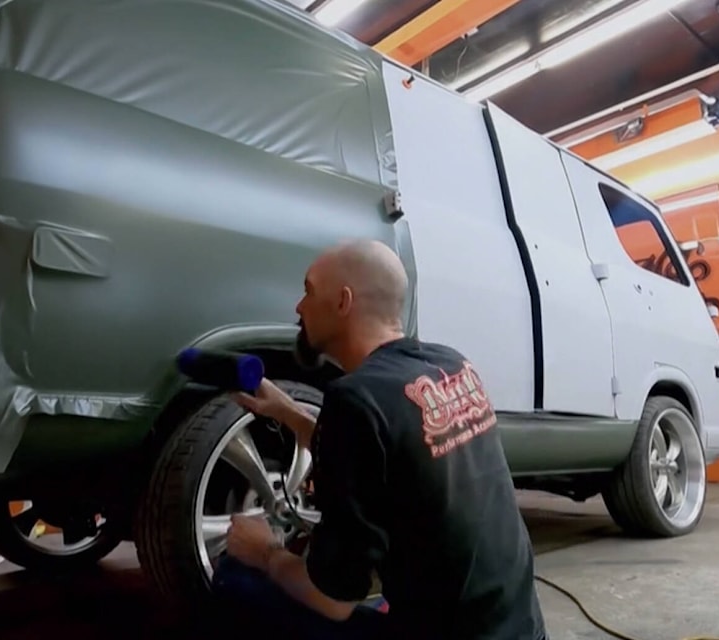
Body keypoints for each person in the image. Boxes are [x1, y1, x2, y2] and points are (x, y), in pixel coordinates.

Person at [210, 239, 548, 640]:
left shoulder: (354, 400)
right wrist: (286, 411)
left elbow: (332, 601)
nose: (298, 307)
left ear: (343, 301)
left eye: (308, 290)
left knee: (237, 579)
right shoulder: (452, 365)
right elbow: (386, 456)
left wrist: (265, 552)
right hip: (520, 631)